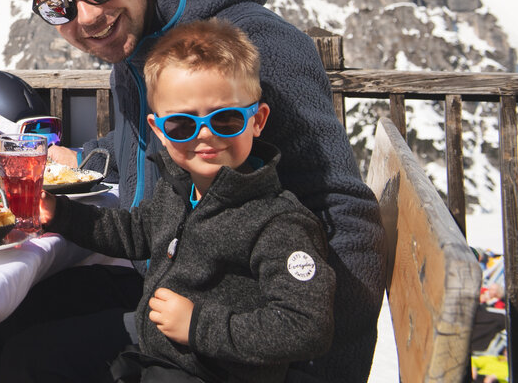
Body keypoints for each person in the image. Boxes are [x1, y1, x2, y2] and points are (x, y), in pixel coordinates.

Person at [0, 0, 384, 383]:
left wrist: (323, 374)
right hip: (168, 274)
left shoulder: (247, 51)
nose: (86, 16)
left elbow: (343, 210)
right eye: (60, 7)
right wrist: (84, 156)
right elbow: (140, 146)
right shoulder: (133, 38)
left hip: (229, 324)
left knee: (30, 358)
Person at [38, 19, 334, 382]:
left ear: (257, 120)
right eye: (182, 125)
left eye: (226, 120)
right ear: (159, 131)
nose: (205, 135)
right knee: (32, 352)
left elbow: (306, 326)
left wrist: (198, 325)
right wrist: (59, 213)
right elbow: (135, 233)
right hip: (158, 348)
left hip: (211, 371)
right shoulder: (179, 188)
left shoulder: (278, 223)